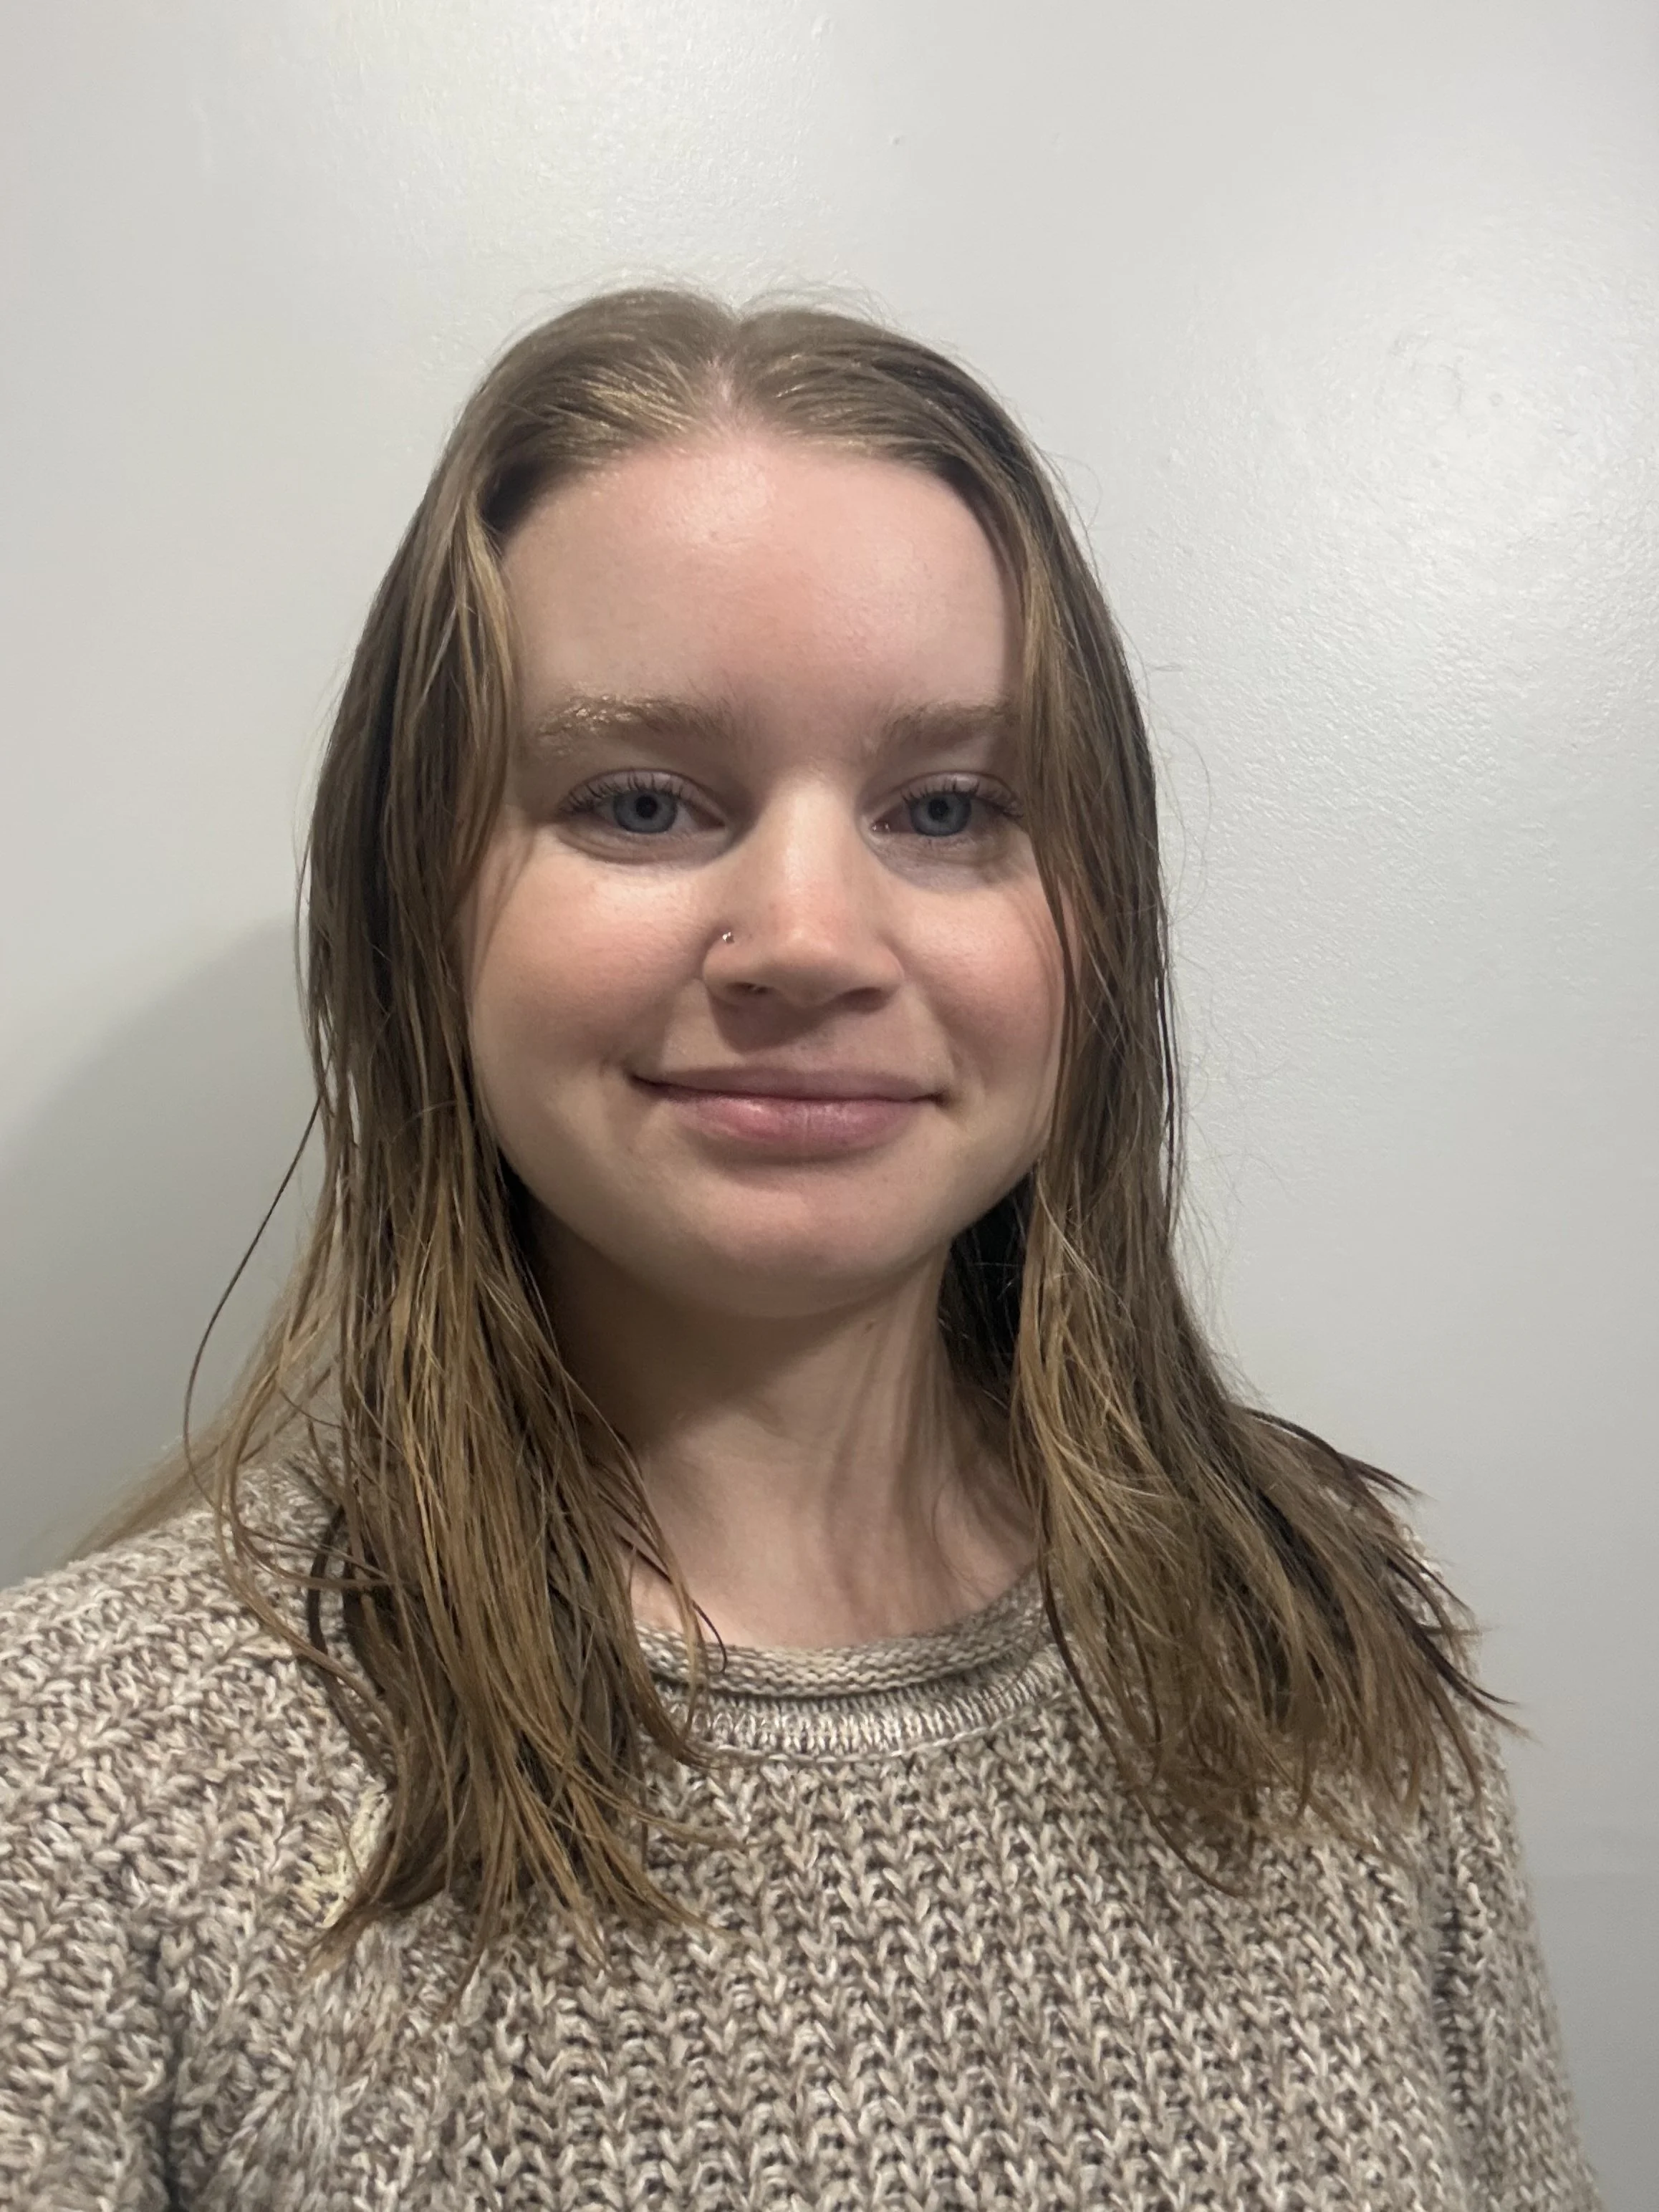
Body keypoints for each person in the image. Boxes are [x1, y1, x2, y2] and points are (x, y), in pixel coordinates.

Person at [0, 288, 1600, 2209]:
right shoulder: (81, 1789)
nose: (812, 938)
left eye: (947, 807)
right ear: (415, 901)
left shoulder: (1325, 1637)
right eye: (643, 800)